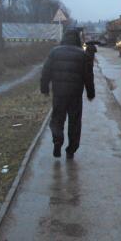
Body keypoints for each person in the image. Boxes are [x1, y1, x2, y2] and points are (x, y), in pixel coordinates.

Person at [40, 28, 95, 159]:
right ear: (77, 39)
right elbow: (88, 75)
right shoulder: (82, 54)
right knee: (74, 122)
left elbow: (46, 71)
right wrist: (90, 92)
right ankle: (71, 149)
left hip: (59, 94)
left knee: (57, 119)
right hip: (75, 95)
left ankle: (57, 142)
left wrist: (44, 88)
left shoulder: (55, 52)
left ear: (64, 38)